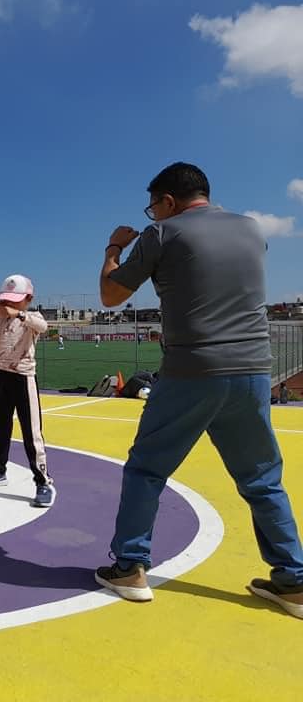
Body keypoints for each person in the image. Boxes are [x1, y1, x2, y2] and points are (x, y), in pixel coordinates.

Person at [94, 162, 303, 618]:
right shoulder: (252, 229)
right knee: (263, 480)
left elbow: (111, 295)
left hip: (192, 370)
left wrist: (114, 247)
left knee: (147, 471)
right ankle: (293, 580)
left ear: (169, 201)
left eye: (154, 207)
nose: (153, 216)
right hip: (252, 371)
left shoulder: (162, 235)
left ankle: (130, 567)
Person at [0, 274, 56, 508]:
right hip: (0, 377)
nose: (9, 304)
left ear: (28, 298)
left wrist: (18, 314)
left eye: (15, 300)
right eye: (6, 300)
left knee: (32, 432)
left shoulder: (31, 317)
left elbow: (44, 326)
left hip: (23, 377)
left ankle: (42, 481)